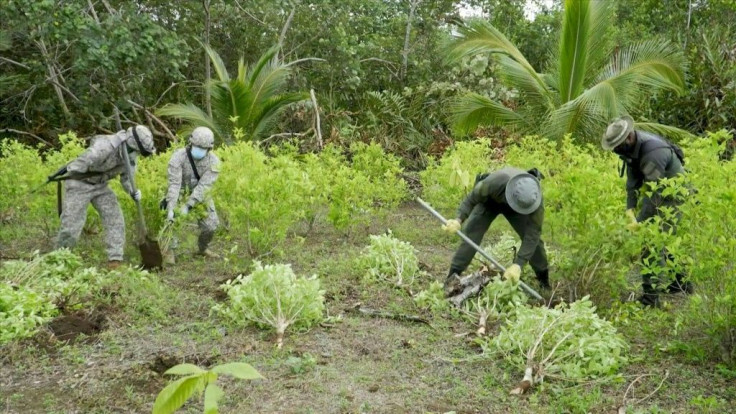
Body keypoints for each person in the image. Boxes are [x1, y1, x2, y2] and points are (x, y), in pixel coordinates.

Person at [601, 115, 693, 307]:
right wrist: (629, 209)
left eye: (617, 146)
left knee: (652, 242)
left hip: (674, 195)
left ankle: (651, 297)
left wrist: (640, 222)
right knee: (666, 240)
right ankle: (681, 284)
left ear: (628, 137)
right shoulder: (630, 149)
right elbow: (632, 184)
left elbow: (654, 195)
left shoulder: (652, 152)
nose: (616, 151)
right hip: (660, 191)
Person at [56, 125, 155, 269]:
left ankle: (115, 259)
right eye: (137, 152)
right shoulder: (103, 147)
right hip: (79, 183)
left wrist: (133, 191)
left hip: (101, 185)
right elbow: (77, 167)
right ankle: (60, 258)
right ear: (130, 146)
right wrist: (74, 184)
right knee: (72, 224)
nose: (137, 155)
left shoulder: (131, 157)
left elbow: (127, 179)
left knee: (115, 217)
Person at [442, 167, 549, 290]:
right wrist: (458, 219)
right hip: (491, 201)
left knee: (536, 245)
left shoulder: (534, 201)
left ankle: (544, 282)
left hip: (520, 210)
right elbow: (471, 199)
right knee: (471, 235)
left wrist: (518, 264)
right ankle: (452, 277)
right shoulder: (494, 182)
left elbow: (533, 233)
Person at [163, 126, 220, 264]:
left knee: (211, 225)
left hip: (200, 195)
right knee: (171, 219)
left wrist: (188, 205)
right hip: (180, 191)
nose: (199, 149)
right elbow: (174, 184)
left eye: (203, 148)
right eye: (197, 146)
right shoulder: (179, 156)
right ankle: (170, 250)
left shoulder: (214, 162)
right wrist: (171, 207)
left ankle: (202, 248)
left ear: (209, 148)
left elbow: (204, 186)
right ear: (191, 143)